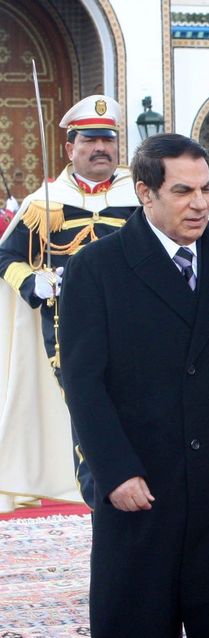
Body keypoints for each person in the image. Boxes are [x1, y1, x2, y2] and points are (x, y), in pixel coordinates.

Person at [60, 133, 209, 636]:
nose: (200, 205)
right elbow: (84, 385)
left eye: (207, 190)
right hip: (146, 484)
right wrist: (115, 472)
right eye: (182, 192)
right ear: (145, 193)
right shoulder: (96, 267)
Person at [0, 94, 138, 510]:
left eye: (108, 140)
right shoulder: (44, 201)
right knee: (89, 405)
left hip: (137, 321)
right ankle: (98, 490)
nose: (100, 148)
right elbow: (6, 256)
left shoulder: (142, 195)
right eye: (89, 140)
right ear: (70, 148)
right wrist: (32, 282)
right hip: (68, 327)